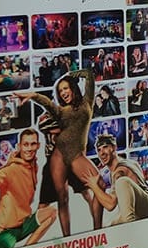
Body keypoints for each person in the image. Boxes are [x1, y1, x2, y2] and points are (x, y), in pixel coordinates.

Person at [17, 71, 102, 235]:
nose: (63, 93)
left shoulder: (87, 102)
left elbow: (90, 76)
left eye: (65, 88)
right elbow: (48, 109)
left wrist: (73, 74)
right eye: (60, 91)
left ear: (73, 88)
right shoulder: (61, 111)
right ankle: (65, 238)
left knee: (94, 189)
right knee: (61, 199)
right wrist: (34, 96)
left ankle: (99, 230)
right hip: (57, 156)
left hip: (76, 156)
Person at [0, 129, 56, 248]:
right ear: (19, 146)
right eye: (26, 144)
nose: (29, 148)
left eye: (33, 144)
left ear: (38, 145)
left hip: (21, 226)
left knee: (51, 212)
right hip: (3, 233)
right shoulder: (11, 170)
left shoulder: (33, 165)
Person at [90, 133, 148, 226]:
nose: (102, 153)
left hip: (143, 207)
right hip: (144, 203)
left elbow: (110, 204)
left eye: (105, 147)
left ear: (114, 148)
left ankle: (130, 227)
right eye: (99, 150)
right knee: (110, 225)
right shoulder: (128, 162)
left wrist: (94, 186)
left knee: (121, 182)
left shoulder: (119, 172)